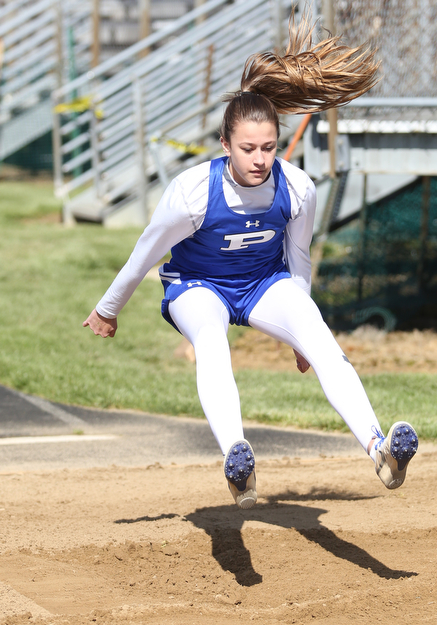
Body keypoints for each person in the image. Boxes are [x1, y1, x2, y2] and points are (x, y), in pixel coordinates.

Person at [83, 12, 418, 509]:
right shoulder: (193, 191)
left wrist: (302, 332)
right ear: (224, 145)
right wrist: (108, 309)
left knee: (322, 338)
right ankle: (238, 461)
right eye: (247, 149)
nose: (260, 159)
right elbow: (144, 254)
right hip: (197, 287)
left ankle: (380, 451)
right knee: (213, 342)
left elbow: (298, 259)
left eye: (269, 147)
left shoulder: (297, 186)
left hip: (264, 283)